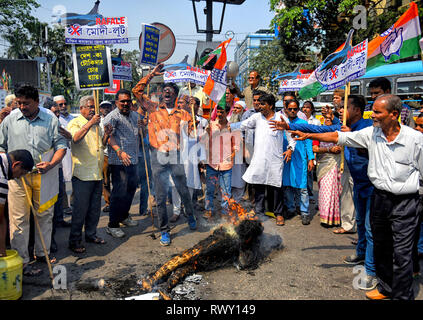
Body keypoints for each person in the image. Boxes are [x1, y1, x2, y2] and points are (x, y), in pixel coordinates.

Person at [289, 94, 423, 300]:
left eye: (378, 112)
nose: (373, 115)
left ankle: (402, 296)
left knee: (402, 253)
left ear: (394, 114)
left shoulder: (415, 139)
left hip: (405, 203)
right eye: (373, 111)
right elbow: (338, 137)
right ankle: (386, 288)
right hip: (379, 199)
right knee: (381, 247)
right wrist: (306, 136)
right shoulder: (371, 133)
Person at [0, 84, 67, 276]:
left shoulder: (50, 119)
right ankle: (22, 261)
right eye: (19, 103)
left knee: (45, 217)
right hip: (17, 178)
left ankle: (42, 253)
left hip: (44, 176)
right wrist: (9, 167)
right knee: (19, 219)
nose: (22, 106)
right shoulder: (10, 120)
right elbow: (1, 146)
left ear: (37, 102)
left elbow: (61, 145)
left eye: (26, 103)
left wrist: (52, 164)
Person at [132, 63, 197, 246]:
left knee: (183, 190)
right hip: (157, 157)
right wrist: (151, 74)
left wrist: (194, 115)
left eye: (170, 91)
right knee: (160, 197)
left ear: (175, 96)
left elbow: (193, 133)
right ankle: (164, 231)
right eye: (164, 90)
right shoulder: (152, 108)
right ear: (161, 94)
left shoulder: (183, 114)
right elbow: (136, 91)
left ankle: (191, 216)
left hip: (175, 155)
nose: (167, 92)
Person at [231, 93, 296, 226]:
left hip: (275, 159)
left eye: (262, 104)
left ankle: (279, 214)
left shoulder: (281, 117)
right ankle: (259, 211)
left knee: (276, 186)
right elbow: (242, 125)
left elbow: (291, 135)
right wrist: (228, 126)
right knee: (258, 185)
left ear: (270, 105)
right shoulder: (256, 117)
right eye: (259, 104)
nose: (259, 106)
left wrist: (290, 149)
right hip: (259, 158)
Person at [67, 96, 112, 253]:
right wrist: (91, 123)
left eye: (94, 106)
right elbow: (75, 138)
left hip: (96, 173)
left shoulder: (96, 123)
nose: (93, 109)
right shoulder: (76, 123)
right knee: (80, 210)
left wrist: (106, 134)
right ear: (81, 109)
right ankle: (75, 240)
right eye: (89, 106)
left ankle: (91, 234)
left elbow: (102, 144)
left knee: (94, 208)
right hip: (82, 175)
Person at [103, 89, 140, 238]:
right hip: (118, 161)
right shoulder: (111, 117)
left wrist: (143, 126)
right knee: (119, 192)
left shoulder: (135, 115)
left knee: (131, 188)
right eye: (122, 101)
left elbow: (139, 132)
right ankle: (112, 225)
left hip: (134, 159)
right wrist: (119, 151)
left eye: (128, 101)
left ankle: (124, 216)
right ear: (116, 102)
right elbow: (109, 137)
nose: (125, 103)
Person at [170, 96, 207, 222]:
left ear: (188, 105)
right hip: (176, 156)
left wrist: (202, 159)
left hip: (190, 158)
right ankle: (176, 211)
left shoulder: (196, 121)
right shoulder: (172, 118)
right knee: (175, 186)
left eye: (182, 103)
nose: (179, 105)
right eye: (178, 102)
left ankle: (188, 209)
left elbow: (200, 141)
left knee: (190, 184)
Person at [201, 103, 239, 219]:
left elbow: (236, 146)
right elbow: (202, 142)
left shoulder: (232, 127)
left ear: (227, 113)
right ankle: (209, 209)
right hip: (212, 163)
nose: (219, 114)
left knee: (226, 191)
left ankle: (225, 211)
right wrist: (206, 133)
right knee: (210, 189)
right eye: (218, 112)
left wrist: (231, 156)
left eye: (222, 112)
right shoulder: (211, 126)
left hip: (226, 165)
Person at [282, 99, 315, 225]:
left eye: (295, 109)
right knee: (288, 185)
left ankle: (304, 212)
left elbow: (308, 142)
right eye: (290, 109)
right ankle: (290, 208)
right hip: (285, 159)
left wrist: (310, 158)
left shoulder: (302, 123)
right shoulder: (282, 123)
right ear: (285, 109)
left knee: (302, 187)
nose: (292, 111)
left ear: (298, 109)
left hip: (300, 158)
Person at [0, 150, 34, 257]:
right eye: (21, 173)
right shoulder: (2, 181)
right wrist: (3, 254)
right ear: (16, 164)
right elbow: (0, 219)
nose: (18, 177)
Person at [53, 95, 73, 215]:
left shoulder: (72, 118)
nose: (64, 107)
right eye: (60, 105)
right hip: (60, 154)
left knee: (73, 178)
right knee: (62, 182)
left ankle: (73, 204)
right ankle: (64, 206)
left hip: (72, 152)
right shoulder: (53, 119)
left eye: (65, 104)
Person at [302, 100, 320, 204]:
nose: (305, 109)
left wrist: (314, 154)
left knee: (309, 173)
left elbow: (317, 136)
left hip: (312, 148)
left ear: (311, 109)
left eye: (308, 107)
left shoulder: (316, 121)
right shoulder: (299, 119)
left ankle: (310, 194)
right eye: (304, 107)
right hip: (301, 148)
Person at [229, 101, 247, 203]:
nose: (235, 110)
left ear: (243, 111)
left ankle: (237, 202)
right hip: (229, 155)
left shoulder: (246, 123)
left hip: (241, 155)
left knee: (240, 178)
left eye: (238, 108)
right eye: (234, 108)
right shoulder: (228, 121)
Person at [99, 101, 113, 212]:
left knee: (118, 180)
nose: (106, 109)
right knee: (106, 180)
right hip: (104, 154)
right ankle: (108, 202)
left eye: (108, 107)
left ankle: (117, 202)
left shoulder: (116, 118)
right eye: (104, 107)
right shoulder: (97, 122)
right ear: (100, 109)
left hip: (117, 154)